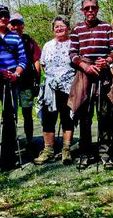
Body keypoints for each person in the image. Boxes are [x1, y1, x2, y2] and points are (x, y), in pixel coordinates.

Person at [68, 0, 113, 170]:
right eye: (87, 8)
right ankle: (85, 153)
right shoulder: (76, 29)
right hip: (84, 75)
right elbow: (73, 53)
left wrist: (106, 61)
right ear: (82, 10)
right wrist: (84, 65)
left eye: (93, 8)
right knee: (85, 116)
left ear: (97, 9)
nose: (90, 11)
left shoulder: (106, 27)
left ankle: (104, 153)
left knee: (104, 115)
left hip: (102, 74)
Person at [0, 5, 27, 171]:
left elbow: (23, 59)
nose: (2, 18)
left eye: (5, 16)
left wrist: (16, 74)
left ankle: (9, 157)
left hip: (11, 81)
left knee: (10, 118)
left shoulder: (15, 37)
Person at [34, 16, 76, 165]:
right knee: (48, 118)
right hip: (50, 88)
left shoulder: (73, 44)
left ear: (68, 28)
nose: (59, 28)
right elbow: (44, 64)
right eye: (56, 26)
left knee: (67, 118)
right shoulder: (48, 45)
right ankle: (48, 150)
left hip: (68, 87)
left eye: (62, 26)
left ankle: (66, 149)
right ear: (53, 29)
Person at [8, 12, 41, 153]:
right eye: (13, 24)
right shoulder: (5, 40)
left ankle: (29, 140)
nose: (15, 27)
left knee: (27, 113)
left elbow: (36, 61)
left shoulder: (29, 41)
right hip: (10, 82)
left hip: (26, 83)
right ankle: (11, 140)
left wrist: (37, 81)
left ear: (22, 25)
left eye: (18, 24)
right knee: (10, 113)